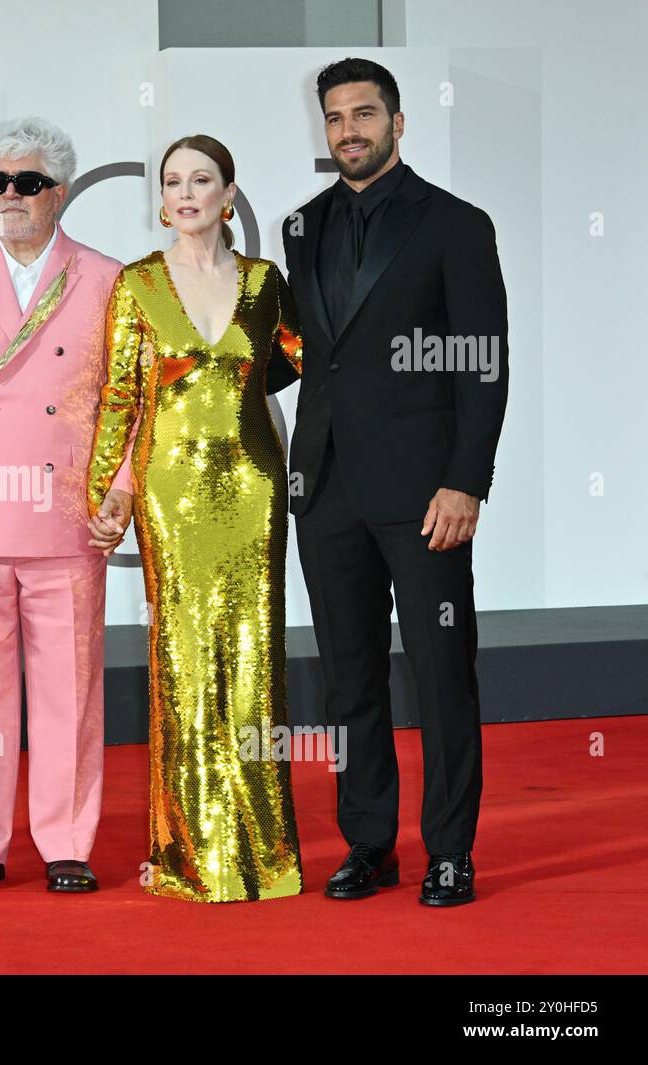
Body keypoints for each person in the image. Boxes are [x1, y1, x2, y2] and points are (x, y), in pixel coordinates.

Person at [283, 58, 508, 906]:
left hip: (424, 495)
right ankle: (368, 841)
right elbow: (310, 354)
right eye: (336, 116)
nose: (349, 130)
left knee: (442, 672)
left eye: (365, 114)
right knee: (349, 677)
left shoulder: (455, 224)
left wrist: (466, 481)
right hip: (326, 488)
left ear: (398, 122)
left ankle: (450, 849)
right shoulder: (302, 226)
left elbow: (483, 362)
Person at [87, 135, 305, 903]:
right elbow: (119, 394)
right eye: (173, 181)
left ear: (228, 194)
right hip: (169, 489)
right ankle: (184, 848)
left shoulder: (266, 282)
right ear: (162, 199)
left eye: (201, 179)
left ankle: (264, 853)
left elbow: (301, 361)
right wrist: (105, 492)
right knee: (182, 660)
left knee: (253, 658)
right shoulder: (137, 283)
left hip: (252, 484)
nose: (185, 193)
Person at [0, 117, 129, 894]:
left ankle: (66, 840)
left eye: (28, 183)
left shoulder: (106, 277)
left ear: (59, 193)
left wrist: (120, 486)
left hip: (66, 514)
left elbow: (128, 399)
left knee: (69, 690)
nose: (9, 196)